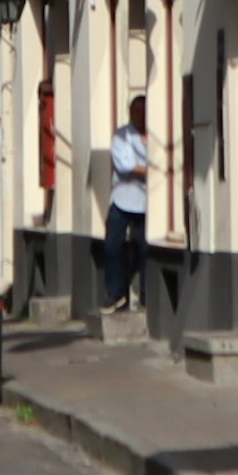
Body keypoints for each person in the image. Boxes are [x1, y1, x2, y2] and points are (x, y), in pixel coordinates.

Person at [101, 98, 149, 314]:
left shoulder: (155, 135)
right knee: (112, 245)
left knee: (145, 247)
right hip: (122, 198)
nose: (140, 115)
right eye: (136, 111)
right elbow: (126, 165)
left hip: (147, 202)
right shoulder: (122, 136)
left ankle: (147, 294)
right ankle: (115, 293)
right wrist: (151, 168)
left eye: (143, 111)